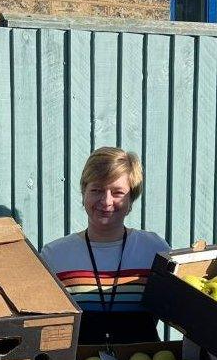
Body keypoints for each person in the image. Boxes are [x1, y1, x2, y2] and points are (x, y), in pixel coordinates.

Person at [40, 147, 171, 345]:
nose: (106, 201)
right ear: (84, 192)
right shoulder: (54, 256)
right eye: (96, 190)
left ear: (131, 199)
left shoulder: (154, 250)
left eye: (117, 192)